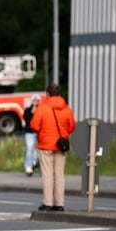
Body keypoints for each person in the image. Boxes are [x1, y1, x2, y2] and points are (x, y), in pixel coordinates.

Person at [30, 83, 75, 212]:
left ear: (47, 94)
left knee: (47, 174)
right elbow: (72, 126)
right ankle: (59, 203)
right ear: (59, 94)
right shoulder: (66, 109)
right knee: (59, 174)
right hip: (61, 145)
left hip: (45, 145)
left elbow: (34, 125)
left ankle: (47, 203)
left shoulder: (43, 108)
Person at [22, 94, 40, 176]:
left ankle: (35, 162)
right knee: (29, 148)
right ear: (32, 101)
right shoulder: (27, 110)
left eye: (37, 100)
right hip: (29, 132)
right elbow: (26, 119)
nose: (35, 102)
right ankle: (28, 166)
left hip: (39, 132)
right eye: (34, 100)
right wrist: (32, 113)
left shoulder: (41, 110)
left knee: (40, 149)